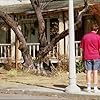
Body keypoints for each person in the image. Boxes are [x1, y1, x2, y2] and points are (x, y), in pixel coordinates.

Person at [80, 24, 100, 93]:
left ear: (90, 29)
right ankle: (95, 88)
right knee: (95, 71)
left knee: (88, 71)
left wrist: (82, 56)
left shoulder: (85, 37)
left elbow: (81, 48)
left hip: (87, 56)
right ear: (97, 30)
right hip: (96, 56)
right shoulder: (98, 37)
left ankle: (88, 87)